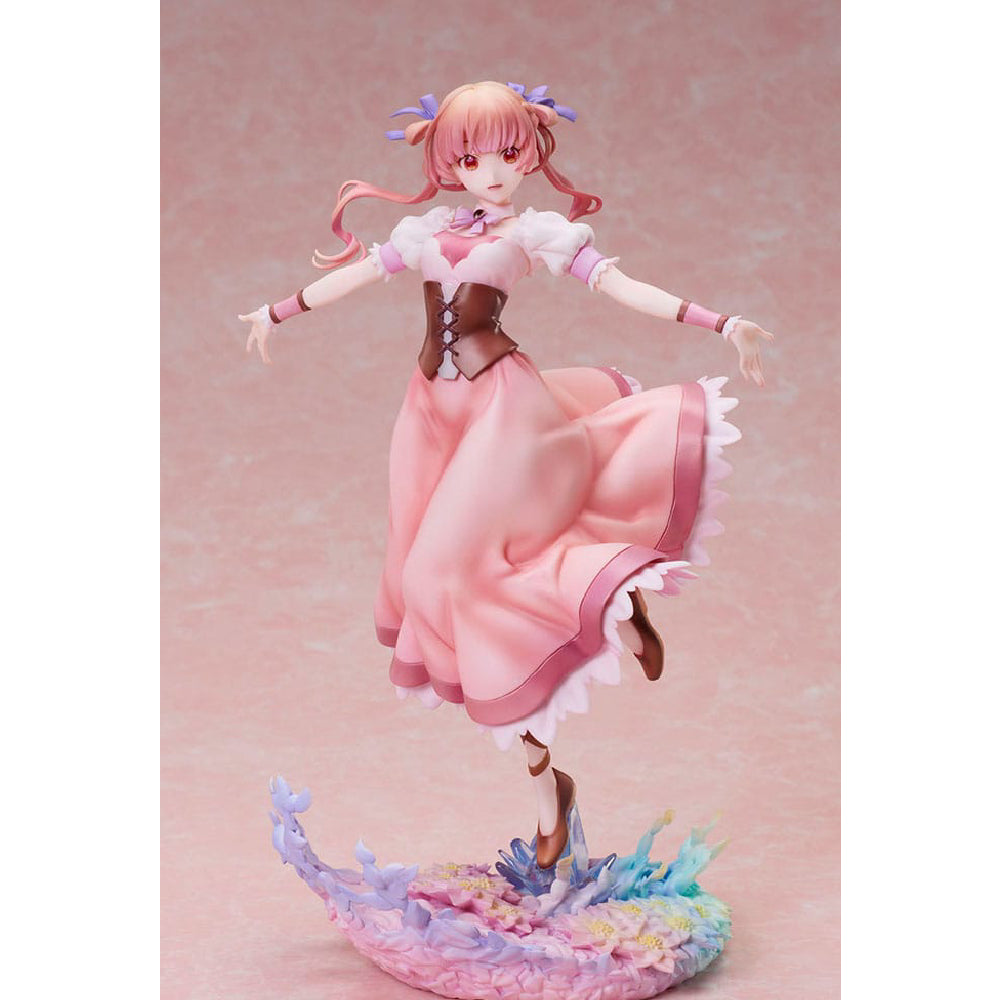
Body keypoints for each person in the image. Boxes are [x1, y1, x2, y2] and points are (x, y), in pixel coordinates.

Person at [240, 80, 774, 869]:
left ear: (531, 151)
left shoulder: (536, 233)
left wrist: (721, 322)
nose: (491, 172)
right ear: (446, 162)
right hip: (432, 414)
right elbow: (355, 277)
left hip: (502, 409)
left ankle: (600, 623)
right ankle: (571, 721)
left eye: (508, 153)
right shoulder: (426, 230)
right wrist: (275, 312)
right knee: (432, 583)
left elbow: (619, 286)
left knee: (447, 577)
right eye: (471, 158)